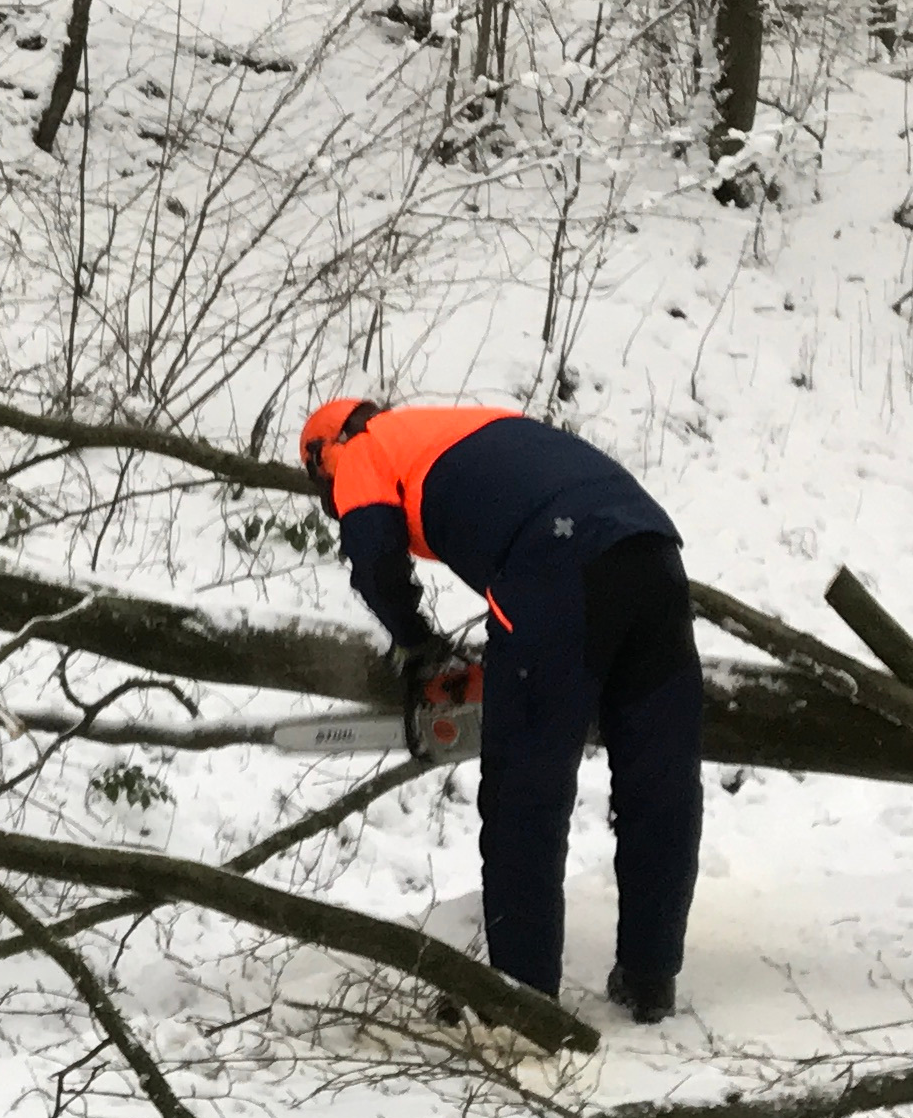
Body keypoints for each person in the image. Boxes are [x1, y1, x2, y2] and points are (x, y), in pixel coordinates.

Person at [298, 396, 702, 1021]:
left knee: (526, 792)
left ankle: (520, 1001)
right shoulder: (458, 425)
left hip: (556, 561)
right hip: (651, 547)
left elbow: (375, 556)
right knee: (661, 780)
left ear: (323, 458)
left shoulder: (360, 451)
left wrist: (414, 640)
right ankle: (650, 977)